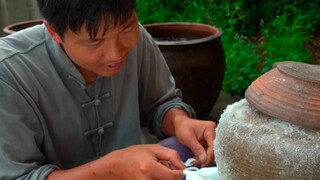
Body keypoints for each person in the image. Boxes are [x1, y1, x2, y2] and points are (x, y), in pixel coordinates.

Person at [0, 0, 216, 179]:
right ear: (54, 32)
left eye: (126, 28)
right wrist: (111, 169)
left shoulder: (136, 38)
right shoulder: (8, 73)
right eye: (94, 41)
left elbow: (160, 103)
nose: (115, 54)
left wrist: (179, 121)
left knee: (189, 151)